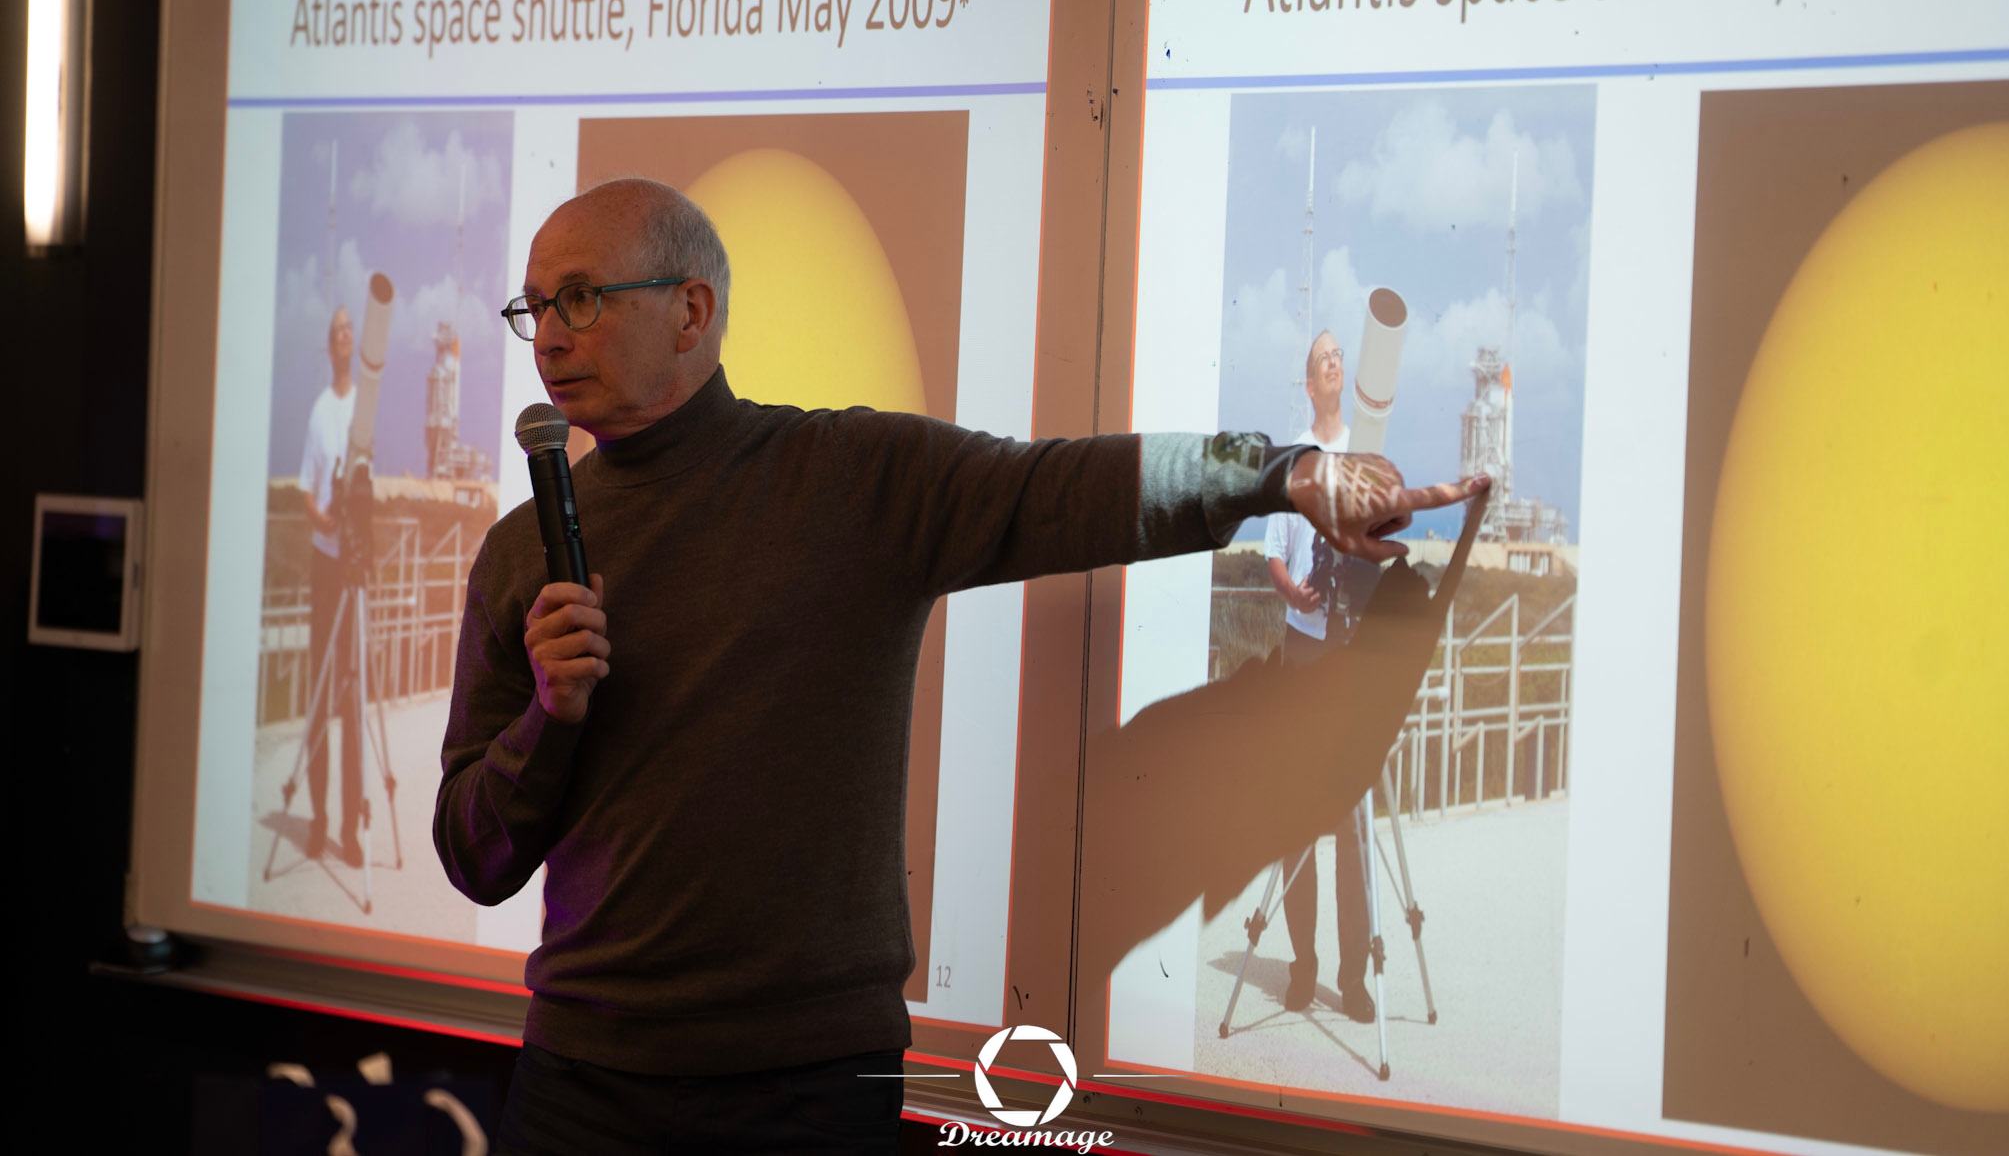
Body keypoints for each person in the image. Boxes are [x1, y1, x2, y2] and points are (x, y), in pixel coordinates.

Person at [433, 179, 1484, 1154]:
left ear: (691, 311)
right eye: (533, 307)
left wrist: (1283, 473)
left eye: (579, 298)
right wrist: (547, 719)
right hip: (580, 1082)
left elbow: (1062, 487)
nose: (548, 337)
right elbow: (474, 856)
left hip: (807, 1082)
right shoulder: (522, 553)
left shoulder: (847, 480)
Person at [1264, 329, 1374, 1021]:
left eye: (1340, 354)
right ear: (1309, 384)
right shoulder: (1294, 460)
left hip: (1351, 654)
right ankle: (1302, 964)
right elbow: (1274, 555)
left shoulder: (1365, 449)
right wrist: (1292, 592)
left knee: (1352, 820)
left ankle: (1353, 976)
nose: (1336, 361)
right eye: (1323, 358)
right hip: (1302, 651)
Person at [299, 305, 363, 868]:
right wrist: (321, 518)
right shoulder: (320, 410)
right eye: (336, 329)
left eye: (350, 329)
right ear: (330, 345)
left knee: (353, 698)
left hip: (355, 569)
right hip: (325, 563)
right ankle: (318, 820)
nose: (344, 337)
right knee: (321, 698)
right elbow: (307, 488)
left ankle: (350, 826)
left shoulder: (365, 406)